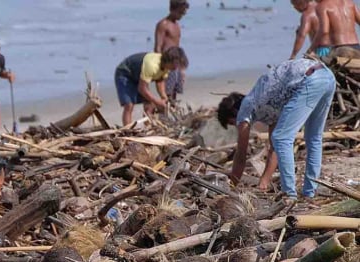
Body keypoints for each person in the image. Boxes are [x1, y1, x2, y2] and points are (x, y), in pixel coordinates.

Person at [216, 59, 335, 198]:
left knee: (282, 138)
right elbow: (274, 149)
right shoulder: (267, 101)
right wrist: (264, 182)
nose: (238, 126)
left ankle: (289, 195)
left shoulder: (246, 107)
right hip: (327, 76)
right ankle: (310, 192)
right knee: (313, 137)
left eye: (233, 123)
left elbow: (241, 154)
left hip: (309, 80)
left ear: (233, 114)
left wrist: (232, 185)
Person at [114, 47, 188, 125]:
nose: (176, 68)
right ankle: (127, 129)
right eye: (175, 65)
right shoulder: (152, 66)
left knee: (149, 104)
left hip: (139, 76)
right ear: (169, 61)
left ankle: (148, 127)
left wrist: (163, 96)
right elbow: (142, 88)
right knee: (129, 105)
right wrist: (157, 101)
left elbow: (160, 80)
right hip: (125, 73)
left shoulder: (166, 67)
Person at [154, 0, 189, 100]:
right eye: (180, 12)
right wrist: (160, 66)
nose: (181, 15)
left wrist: (181, 67)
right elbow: (158, 46)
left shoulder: (177, 25)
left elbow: (177, 47)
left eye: (183, 13)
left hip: (176, 62)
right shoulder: (163, 24)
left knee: (175, 90)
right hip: (167, 62)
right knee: (166, 91)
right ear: (172, 9)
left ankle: (172, 110)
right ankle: (164, 111)